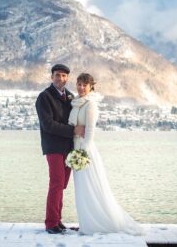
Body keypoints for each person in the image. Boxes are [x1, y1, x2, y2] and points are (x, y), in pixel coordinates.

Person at [68, 73, 145, 235]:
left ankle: (99, 223)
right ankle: (86, 223)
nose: (81, 87)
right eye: (79, 84)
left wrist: (83, 154)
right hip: (75, 148)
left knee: (91, 188)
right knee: (82, 189)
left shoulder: (91, 105)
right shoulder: (75, 103)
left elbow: (90, 131)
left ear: (91, 87)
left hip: (84, 152)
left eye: (85, 85)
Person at [35, 64, 85, 234]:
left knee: (61, 185)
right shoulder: (44, 97)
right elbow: (48, 125)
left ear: (67, 78)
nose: (60, 78)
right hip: (53, 147)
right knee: (56, 183)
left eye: (64, 76)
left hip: (69, 148)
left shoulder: (70, 96)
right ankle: (50, 224)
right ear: (52, 77)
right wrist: (73, 131)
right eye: (57, 75)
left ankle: (58, 220)